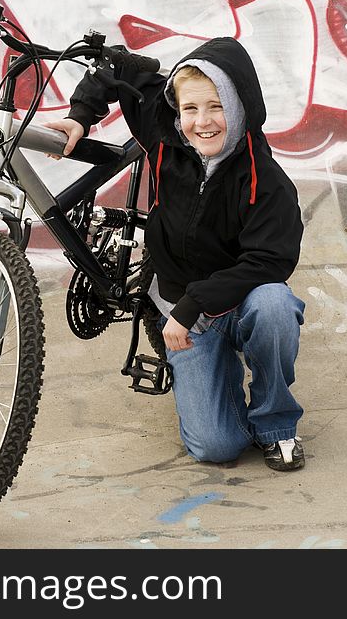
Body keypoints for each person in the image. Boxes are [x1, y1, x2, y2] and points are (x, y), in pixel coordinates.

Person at [44, 37, 306, 470]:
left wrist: (190, 307)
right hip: (187, 308)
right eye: (190, 109)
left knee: (274, 304)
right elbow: (118, 67)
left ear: (240, 105)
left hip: (239, 303)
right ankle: (216, 388)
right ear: (176, 109)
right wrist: (80, 117)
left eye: (217, 106)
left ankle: (275, 423)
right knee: (215, 448)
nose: (202, 122)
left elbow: (269, 261)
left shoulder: (267, 180)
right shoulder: (162, 134)